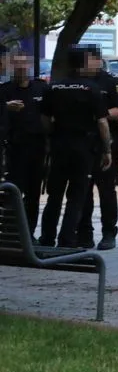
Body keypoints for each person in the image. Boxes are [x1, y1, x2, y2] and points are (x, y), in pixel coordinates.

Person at [38, 46, 112, 248]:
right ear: (83, 64)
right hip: (83, 147)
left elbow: (44, 119)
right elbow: (102, 122)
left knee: (54, 195)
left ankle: (46, 238)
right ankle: (67, 239)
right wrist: (106, 150)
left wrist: (53, 134)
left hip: (59, 145)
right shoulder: (91, 89)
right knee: (76, 197)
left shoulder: (53, 87)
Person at [78, 47, 118, 250]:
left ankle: (109, 232)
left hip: (106, 141)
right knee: (83, 189)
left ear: (98, 60)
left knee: (106, 189)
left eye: (89, 59)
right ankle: (84, 234)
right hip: (82, 141)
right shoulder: (76, 81)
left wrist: (99, 114)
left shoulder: (110, 82)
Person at [0, 52, 48, 240]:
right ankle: (11, 232)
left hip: (37, 147)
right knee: (13, 192)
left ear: (29, 65)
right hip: (14, 148)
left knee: (34, 193)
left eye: (23, 64)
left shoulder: (41, 88)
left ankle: (28, 233)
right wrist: (5, 106)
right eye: (16, 64)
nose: (20, 68)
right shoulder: (4, 90)